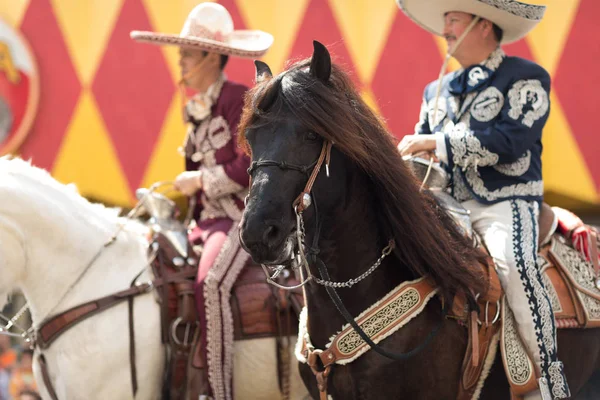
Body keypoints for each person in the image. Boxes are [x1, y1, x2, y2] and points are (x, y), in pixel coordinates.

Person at [395, 0, 569, 398]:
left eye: (453, 19)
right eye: (445, 22)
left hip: (504, 202)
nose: (446, 30)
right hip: (444, 206)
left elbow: (511, 142)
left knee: (515, 267)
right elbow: (425, 152)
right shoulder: (434, 89)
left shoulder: (528, 77)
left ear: (484, 26)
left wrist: (435, 142)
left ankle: (550, 384)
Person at [131, 3, 272, 398]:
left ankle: (217, 391)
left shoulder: (237, 97)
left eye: (187, 54)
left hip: (239, 218)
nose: (180, 61)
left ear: (211, 56)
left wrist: (199, 180)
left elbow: (252, 163)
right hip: (203, 224)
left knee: (210, 284)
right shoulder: (195, 110)